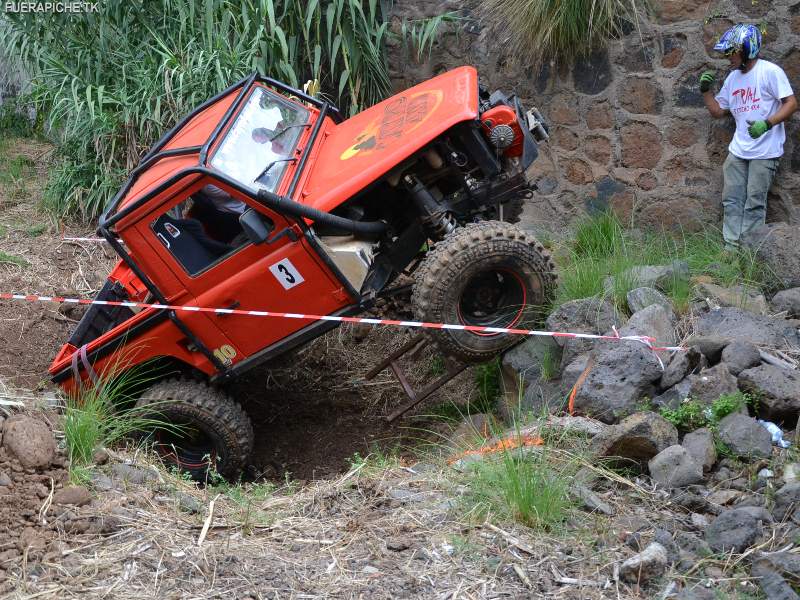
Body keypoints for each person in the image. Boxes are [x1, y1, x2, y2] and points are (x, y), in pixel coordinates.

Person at [699, 23, 797, 248]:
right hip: (738, 150)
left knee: (754, 202)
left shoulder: (770, 72)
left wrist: (767, 123)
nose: (727, 57)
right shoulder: (733, 78)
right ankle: (731, 247)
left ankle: (749, 251)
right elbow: (718, 111)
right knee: (731, 199)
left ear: (747, 49)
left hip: (765, 151)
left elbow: (791, 103)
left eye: (731, 52)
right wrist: (706, 92)